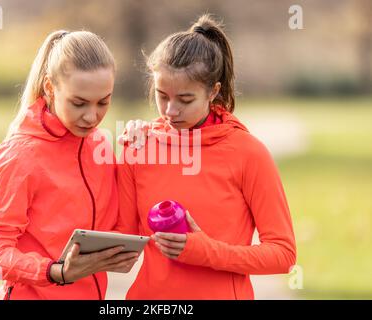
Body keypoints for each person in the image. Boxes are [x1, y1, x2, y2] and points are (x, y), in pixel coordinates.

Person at [116, 14, 297, 299]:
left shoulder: (248, 153)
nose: (170, 111)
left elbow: (283, 254)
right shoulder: (139, 146)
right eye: (162, 95)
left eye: (185, 100)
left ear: (214, 91)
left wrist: (207, 252)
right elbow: (123, 239)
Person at [0, 30, 139, 300]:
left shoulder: (100, 144)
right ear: (50, 88)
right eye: (79, 103)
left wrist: (145, 148)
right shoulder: (18, 156)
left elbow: (121, 226)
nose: (92, 116)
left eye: (103, 102)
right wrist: (54, 271)